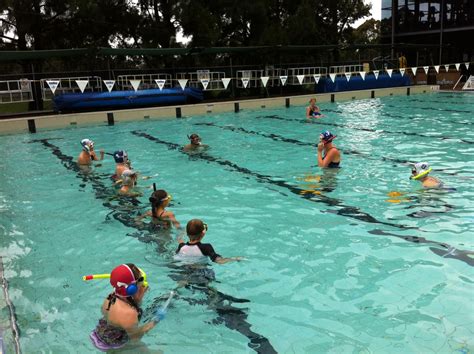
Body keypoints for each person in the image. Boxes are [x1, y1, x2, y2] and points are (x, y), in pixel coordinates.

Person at [89, 264, 156, 351]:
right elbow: (135, 338)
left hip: (100, 332)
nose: (143, 284)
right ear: (131, 288)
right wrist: (152, 323)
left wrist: (138, 298)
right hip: (115, 342)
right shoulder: (129, 313)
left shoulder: (110, 297)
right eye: (140, 281)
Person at [175, 219, 242, 264]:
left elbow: (179, 239)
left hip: (184, 272)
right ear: (202, 233)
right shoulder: (206, 247)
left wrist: (182, 232)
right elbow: (220, 261)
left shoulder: (181, 246)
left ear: (187, 234)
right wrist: (235, 258)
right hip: (201, 273)